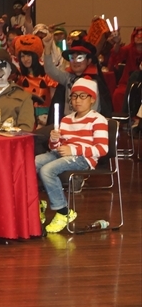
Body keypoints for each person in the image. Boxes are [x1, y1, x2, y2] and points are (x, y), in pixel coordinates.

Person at [36, 78, 108, 234]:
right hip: (62, 154)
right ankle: (37, 203)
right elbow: (56, 147)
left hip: (84, 158)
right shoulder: (66, 119)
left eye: (83, 96)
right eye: (74, 96)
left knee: (47, 170)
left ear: (92, 99)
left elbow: (102, 149)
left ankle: (64, 212)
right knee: (32, 163)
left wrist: (73, 150)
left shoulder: (98, 119)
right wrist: (54, 140)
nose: (77, 100)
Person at [14, 34, 56, 126]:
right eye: (22, 56)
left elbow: (54, 99)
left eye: (28, 55)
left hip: (45, 115)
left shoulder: (47, 74)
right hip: (25, 114)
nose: (25, 59)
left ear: (35, 56)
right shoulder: (20, 75)